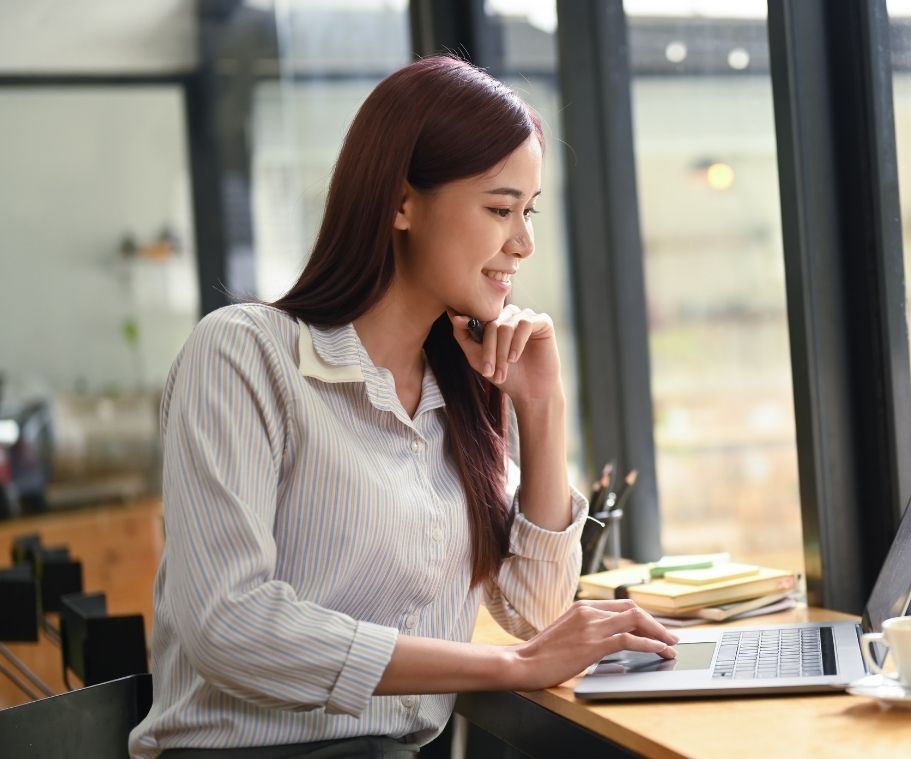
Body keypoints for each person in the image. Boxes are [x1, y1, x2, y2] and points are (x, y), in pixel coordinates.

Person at [129, 56, 677, 758]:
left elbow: (535, 609)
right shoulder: (244, 355)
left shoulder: (461, 388)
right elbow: (228, 626)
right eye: (500, 208)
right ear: (400, 202)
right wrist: (512, 667)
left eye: (529, 211)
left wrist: (541, 409)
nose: (524, 242)